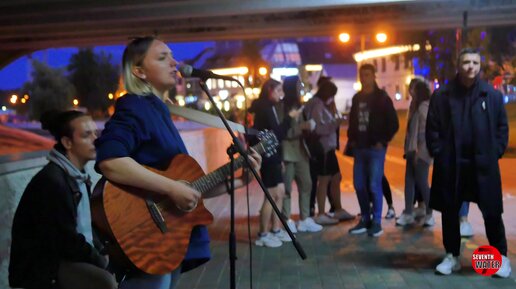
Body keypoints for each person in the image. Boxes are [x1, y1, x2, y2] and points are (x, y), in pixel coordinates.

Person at [94, 36, 261, 288]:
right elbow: (111, 160)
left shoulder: (158, 109)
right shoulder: (135, 106)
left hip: (169, 236)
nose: (175, 63)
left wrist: (239, 181)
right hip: (147, 237)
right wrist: (172, 188)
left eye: (172, 56)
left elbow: (192, 188)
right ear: (139, 71)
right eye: (162, 58)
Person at [9, 110, 117, 289]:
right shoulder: (52, 182)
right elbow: (67, 241)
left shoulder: (77, 176)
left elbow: (88, 227)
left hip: (67, 256)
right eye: (86, 135)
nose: (96, 140)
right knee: (106, 283)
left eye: (95, 133)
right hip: (46, 268)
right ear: (67, 142)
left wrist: (105, 252)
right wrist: (100, 260)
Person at [427, 48, 510, 277]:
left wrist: (495, 152)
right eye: (466, 62)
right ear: (458, 64)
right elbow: (432, 128)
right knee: (450, 212)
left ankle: (500, 258)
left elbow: (502, 127)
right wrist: (439, 152)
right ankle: (451, 256)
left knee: (492, 213)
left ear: (479, 65)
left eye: (474, 62)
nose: (470, 66)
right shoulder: (442, 95)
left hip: (483, 165)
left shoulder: (490, 95)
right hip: (452, 165)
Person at [347, 63, 399, 237]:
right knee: (359, 184)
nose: (364, 78)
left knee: (374, 184)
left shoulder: (382, 98)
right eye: (362, 75)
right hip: (360, 147)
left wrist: (382, 141)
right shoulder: (357, 98)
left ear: (374, 76)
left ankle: (376, 222)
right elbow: (352, 121)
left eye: (368, 75)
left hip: (376, 148)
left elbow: (394, 123)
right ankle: (365, 218)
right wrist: (352, 140)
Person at [249, 78, 301, 247]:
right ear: (269, 90)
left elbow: (273, 135)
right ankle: (263, 234)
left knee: (279, 191)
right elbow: (276, 134)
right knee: (271, 194)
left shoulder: (264, 107)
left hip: (272, 153)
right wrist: (289, 118)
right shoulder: (265, 108)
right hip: (267, 154)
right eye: (278, 91)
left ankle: (276, 229)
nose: (281, 94)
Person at [304, 80, 354, 225]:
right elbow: (318, 128)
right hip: (323, 148)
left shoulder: (318, 104)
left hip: (327, 148)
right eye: (331, 95)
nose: (332, 98)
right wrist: (335, 123)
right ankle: (321, 213)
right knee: (324, 179)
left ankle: (337, 208)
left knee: (336, 177)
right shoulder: (317, 105)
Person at [279, 75, 322, 233]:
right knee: (287, 189)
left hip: (302, 151)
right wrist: (303, 126)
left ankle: (304, 219)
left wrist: (309, 128)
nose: (300, 88)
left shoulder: (300, 105)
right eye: (298, 85)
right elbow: (284, 132)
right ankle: (287, 220)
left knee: (307, 184)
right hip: (288, 153)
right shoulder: (282, 107)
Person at [396, 79, 434, 227]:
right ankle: (408, 212)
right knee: (409, 181)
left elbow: (428, 130)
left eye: (412, 88)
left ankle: (430, 214)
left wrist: (420, 150)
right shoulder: (414, 105)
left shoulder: (424, 106)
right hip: (412, 150)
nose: (409, 91)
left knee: (422, 182)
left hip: (422, 151)